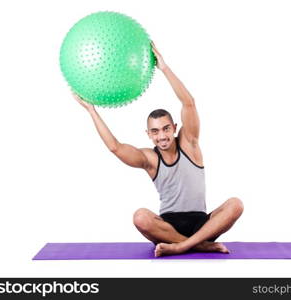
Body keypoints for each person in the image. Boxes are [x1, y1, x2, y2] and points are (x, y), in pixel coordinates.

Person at [72, 42, 244, 257]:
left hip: (203, 224)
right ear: (149, 134)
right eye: (155, 131)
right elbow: (115, 147)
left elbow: (189, 103)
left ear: (174, 128)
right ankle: (198, 245)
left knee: (235, 204)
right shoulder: (149, 158)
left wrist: (164, 68)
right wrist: (91, 109)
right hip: (167, 228)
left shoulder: (189, 144)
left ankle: (183, 246)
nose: (161, 136)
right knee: (140, 217)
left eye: (165, 129)